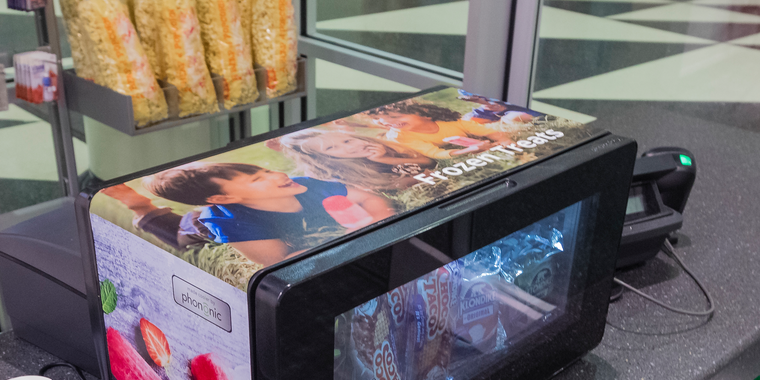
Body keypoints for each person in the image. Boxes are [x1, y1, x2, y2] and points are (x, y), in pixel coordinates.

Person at [146, 160, 394, 266]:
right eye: (258, 179)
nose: (278, 175)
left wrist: (379, 219)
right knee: (176, 235)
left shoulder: (306, 186)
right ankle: (140, 208)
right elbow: (280, 260)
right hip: (195, 229)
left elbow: (368, 197)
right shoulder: (229, 223)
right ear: (225, 198)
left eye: (266, 170)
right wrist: (347, 241)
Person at [276, 127, 444, 207]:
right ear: (324, 158)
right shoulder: (338, 173)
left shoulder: (376, 145)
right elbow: (391, 189)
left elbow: (428, 162)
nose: (349, 147)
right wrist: (420, 178)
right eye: (331, 148)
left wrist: (385, 158)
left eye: (347, 140)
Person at [359, 101, 522, 160]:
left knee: (510, 125)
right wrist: (472, 149)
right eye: (387, 122)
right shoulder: (400, 136)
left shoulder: (450, 122)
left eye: (396, 118)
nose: (393, 124)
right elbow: (434, 153)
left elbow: (486, 132)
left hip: (465, 138)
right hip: (425, 154)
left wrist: (504, 139)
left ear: (422, 114)